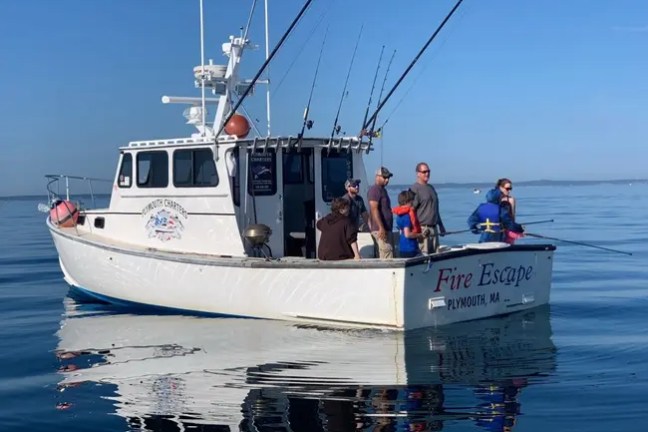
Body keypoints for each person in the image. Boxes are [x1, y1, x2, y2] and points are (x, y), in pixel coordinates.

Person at [410, 162, 446, 254]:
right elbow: (411, 211)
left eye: (428, 171)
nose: (427, 173)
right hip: (423, 230)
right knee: (424, 257)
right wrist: (415, 232)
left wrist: (441, 225)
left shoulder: (431, 188)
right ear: (418, 173)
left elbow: (435, 209)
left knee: (436, 256)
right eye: (424, 171)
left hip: (434, 229)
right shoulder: (414, 189)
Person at [368, 167, 394, 259]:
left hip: (386, 229)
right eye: (384, 177)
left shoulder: (383, 190)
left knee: (387, 253)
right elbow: (374, 209)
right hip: (381, 230)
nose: (387, 180)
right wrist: (381, 227)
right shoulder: (375, 190)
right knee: (387, 256)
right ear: (377, 177)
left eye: (388, 178)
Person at [393, 190, 423, 258]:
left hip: (402, 247)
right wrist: (419, 235)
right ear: (406, 202)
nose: (412, 203)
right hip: (410, 248)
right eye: (411, 201)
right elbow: (407, 234)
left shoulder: (399, 215)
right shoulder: (406, 216)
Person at [496, 178, 522, 244]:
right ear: (500, 188)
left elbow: (513, 216)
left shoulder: (511, 200)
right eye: (507, 189)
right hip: (497, 229)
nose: (509, 191)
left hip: (508, 229)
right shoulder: (494, 199)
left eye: (510, 189)